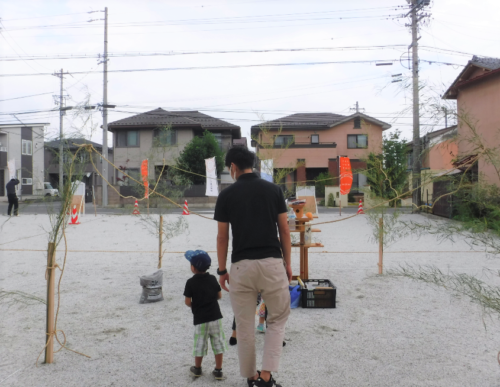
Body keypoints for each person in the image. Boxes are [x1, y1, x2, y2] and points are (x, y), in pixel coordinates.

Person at [214, 147, 292, 387]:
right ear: (253, 164)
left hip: (241, 267)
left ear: (233, 167)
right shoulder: (274, 190)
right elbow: (284, 230)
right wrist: (287, 264)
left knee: (245, 325)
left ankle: (251, 377)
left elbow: (222, 237)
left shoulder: (227, 195)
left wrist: (221, 270)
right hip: (272, 264)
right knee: (277, 320)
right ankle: (266, 377)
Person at [183, 250, 227, 381]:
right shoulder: (213, 279)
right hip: (215, 317)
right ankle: (218, 370)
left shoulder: (190, 282)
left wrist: (195, 306)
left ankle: (197, 368)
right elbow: (219, 295)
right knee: (218, 343)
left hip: (200, 319)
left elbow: (187, 302)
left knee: (200, 344)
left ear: (193, 267)